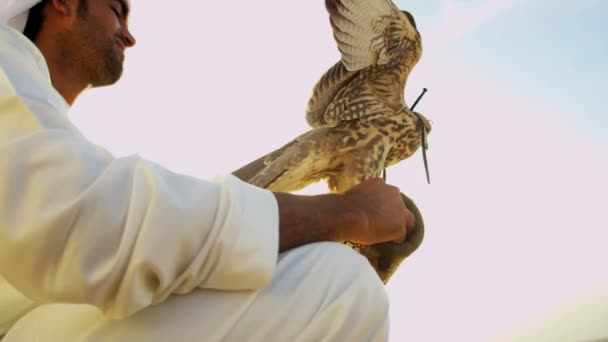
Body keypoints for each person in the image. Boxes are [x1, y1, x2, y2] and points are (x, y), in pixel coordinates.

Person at [0, 0, 416, 340]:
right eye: (114, 8)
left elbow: (121, 238)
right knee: (339, 289)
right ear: (63, 3)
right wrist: (349, 214)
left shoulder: (34, 109)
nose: (128, 33)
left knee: (286, 275)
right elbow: (93, 225)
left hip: (39, 314)